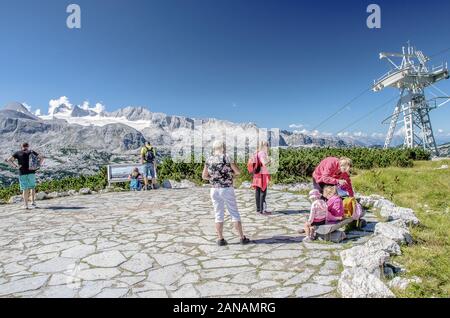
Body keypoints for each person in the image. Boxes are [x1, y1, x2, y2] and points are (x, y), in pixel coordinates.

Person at [202, 140, 250, 246]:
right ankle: (242, 238)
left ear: (214, 149)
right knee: (234, 213)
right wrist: (231, 175)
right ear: (223, 147)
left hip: (214, 189)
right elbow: (238, 171)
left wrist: (213, 178)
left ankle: (220, 239)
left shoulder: (208, 159)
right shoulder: (227, 157)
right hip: (227, 188)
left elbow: (204, 176)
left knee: (218, 214)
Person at [6, 143, 44, 210]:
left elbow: (9, 160)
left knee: (25, 189)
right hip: (31, 172)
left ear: (21, 147)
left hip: (22, 173)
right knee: (32, 187)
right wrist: (38, 166)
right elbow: (41, 158)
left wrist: (15, 166)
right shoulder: (32, 151)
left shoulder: (17, 153)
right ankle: (33, 202)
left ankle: (26, 205)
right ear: (28, 146)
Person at [251, 141, 271, 215]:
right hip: (262, 175)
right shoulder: (262, 153)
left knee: (257, 192)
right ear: (264, 146)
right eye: (267, 145)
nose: (268, 147)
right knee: (263, 192)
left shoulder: (257, 153)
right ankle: (262, 210)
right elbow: (264, 163)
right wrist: (269, 160)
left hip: (256, 175)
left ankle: (258, 209)